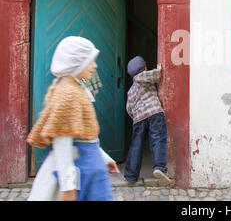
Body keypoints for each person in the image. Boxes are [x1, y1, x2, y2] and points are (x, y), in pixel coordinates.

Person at [27, 36, 119, 201]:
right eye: (91, 61)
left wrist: (103, 158)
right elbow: (62, 142)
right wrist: (68, 186)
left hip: (89, 165)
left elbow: (84, 135)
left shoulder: (76, 88)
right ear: (77, 62)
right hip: (78, 167)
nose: (94, 66)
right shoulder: (67, 93)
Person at [124, 56, 173, 186]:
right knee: (157, 139)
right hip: (154, 112)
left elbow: (129, 108)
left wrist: (136, 117)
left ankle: (131, 175)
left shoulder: (130, 91)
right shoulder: (142, 77)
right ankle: (159, 168)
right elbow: (157, 75)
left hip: (139, 118)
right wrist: (159, 68)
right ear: (144, 68)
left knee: (136, 145)